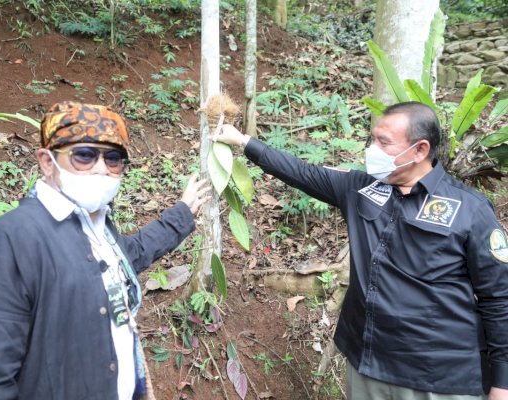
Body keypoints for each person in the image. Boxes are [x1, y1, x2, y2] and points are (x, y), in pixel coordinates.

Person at [213, 102, 508, 400]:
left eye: (384, 142)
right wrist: (243, 142)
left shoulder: (469, 209)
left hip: (438, 377)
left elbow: (499, 297)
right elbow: (301, 172)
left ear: (420, 150)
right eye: (373, 139)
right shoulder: (360, 188)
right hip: (367, 363)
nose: (372, 149)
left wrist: (502, 382)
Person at [0, 101, 210, 399]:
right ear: (47, 161)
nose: (100, 169)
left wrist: (182, 213)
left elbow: (131, 254)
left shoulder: (98, 228)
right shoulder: (8, 243)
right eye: (84, 155)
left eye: (113, 159)